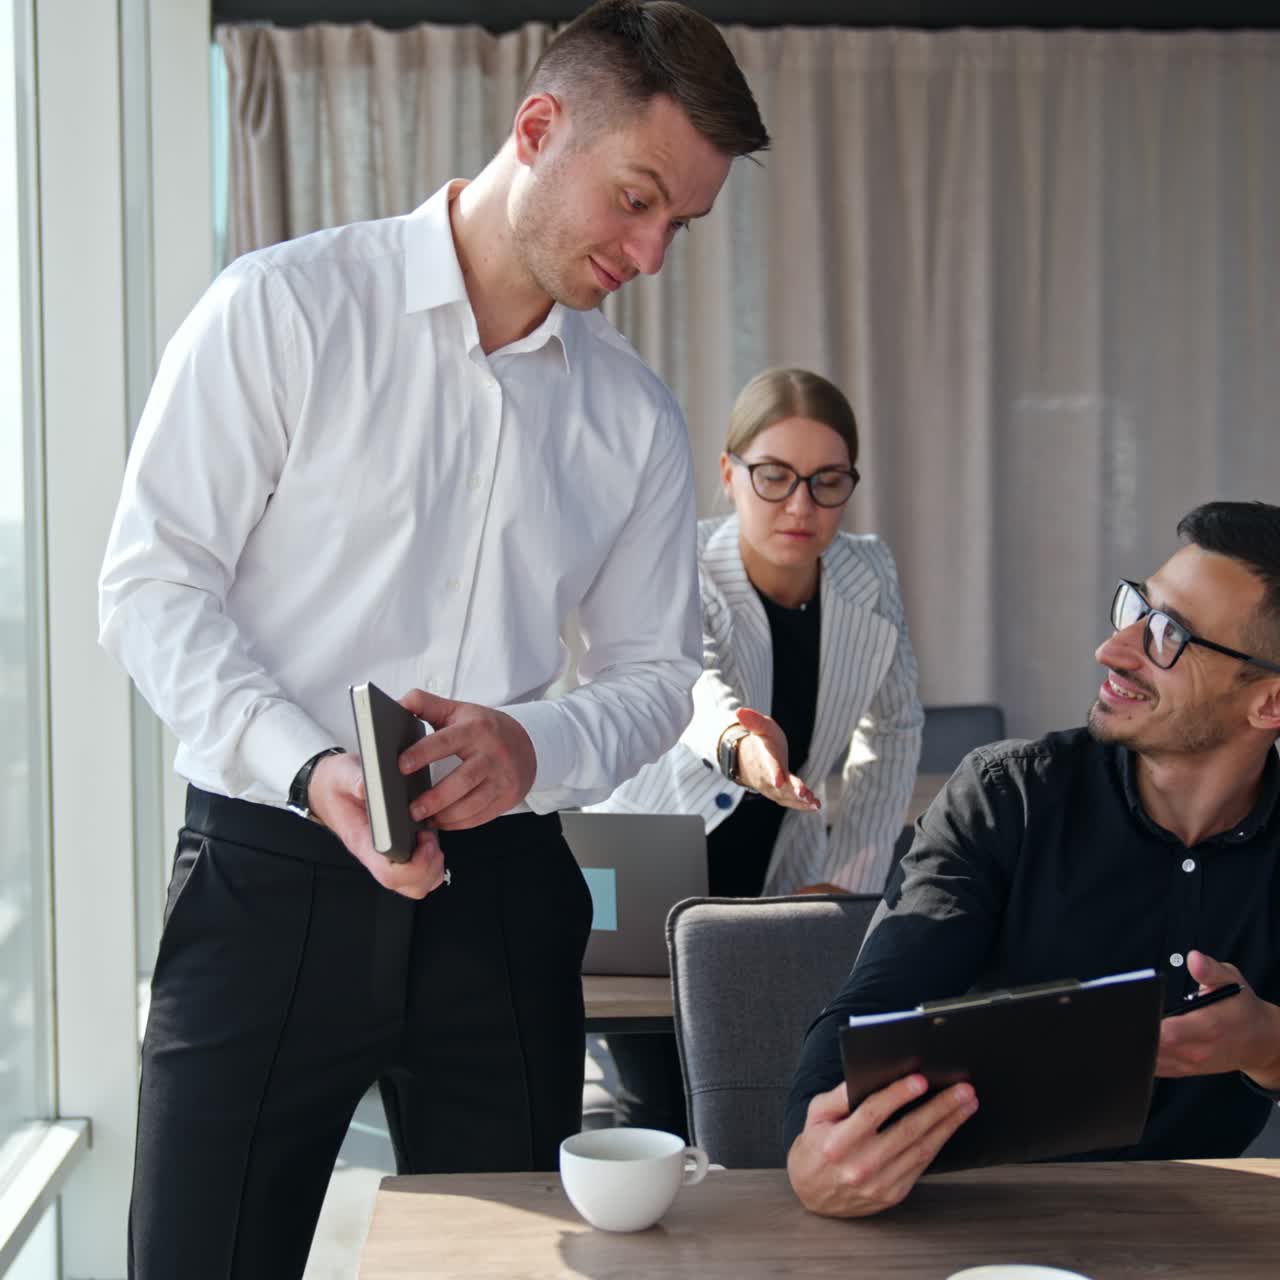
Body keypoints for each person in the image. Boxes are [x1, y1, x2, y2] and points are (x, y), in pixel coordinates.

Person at [98, 3, 769, 1276]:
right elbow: (149, 586)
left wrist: (534, 742)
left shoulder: (631, 417)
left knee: (519, 1270)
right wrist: (307, 764)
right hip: (267, 884)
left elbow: (649, 677)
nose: (651, 250)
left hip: (502, 901)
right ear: (537, 128)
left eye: (677, 223)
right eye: (636, 200)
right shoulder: (281, 310)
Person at [785, 500, 1280, 1219]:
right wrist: (816, 1142)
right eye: (1137, 608)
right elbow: (869, 1013)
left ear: (1269, 704)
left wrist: (1269, 1044)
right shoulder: (1006, 797)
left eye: (1169, 635)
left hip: (1205, 1235)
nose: (1114, 649)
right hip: (979, 1222)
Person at [591, 367, 923, 1135]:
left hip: (783, 878)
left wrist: (847, 881)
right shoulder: (679, 566)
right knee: (658, 1109)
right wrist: (742, 743)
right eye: (773, 477)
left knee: (763, 1102)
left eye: (826, 481)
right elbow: (689, 687)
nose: (799, 505)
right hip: (653, 864)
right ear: (728, 473)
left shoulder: (867, 572)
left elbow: (894, 730)